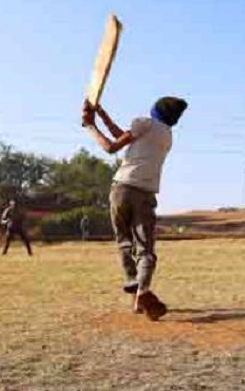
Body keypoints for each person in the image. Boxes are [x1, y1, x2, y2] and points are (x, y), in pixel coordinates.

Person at [82, 96, 187, 321]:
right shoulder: (166, 136)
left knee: (124, 242)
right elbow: (124, 136)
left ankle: (137, 289)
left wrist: (90, 126)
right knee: (145, 249)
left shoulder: (145, 124)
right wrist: (101, 113)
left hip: (121, 189)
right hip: (145, 194)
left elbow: (111, 146)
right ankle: (141, 292)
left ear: (156, 110)